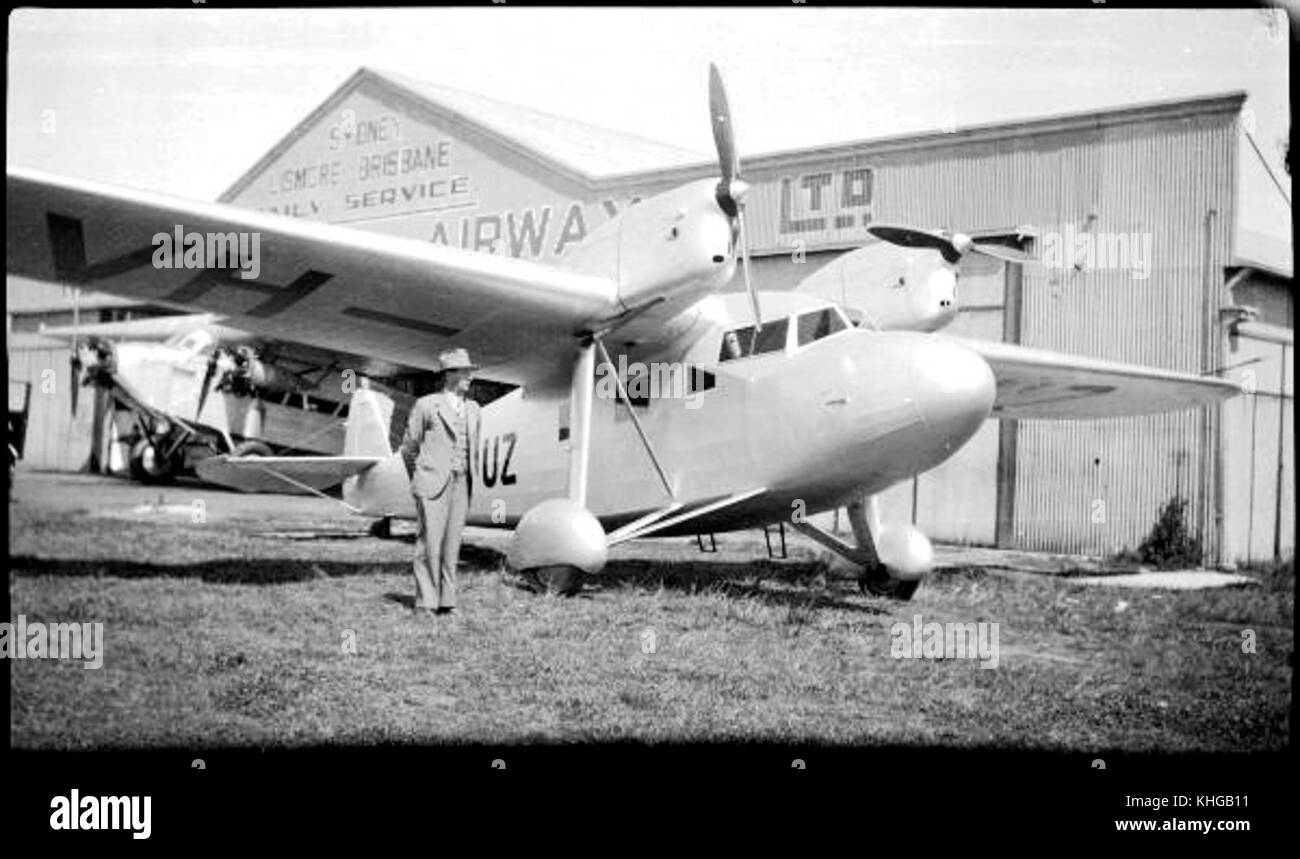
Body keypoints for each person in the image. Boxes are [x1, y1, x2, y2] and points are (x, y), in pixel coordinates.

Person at [399, 348, 482, 617]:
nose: (470, 377)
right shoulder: (426, 405)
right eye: (465, 372)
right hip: (431, 484)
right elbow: (408, 448)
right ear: (450, 375)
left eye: (470, 372)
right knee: (429, 544)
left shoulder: (474, 409)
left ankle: (447, 601)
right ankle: (425, 601)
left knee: (452, 545)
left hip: (461, 484)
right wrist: (421, 477)